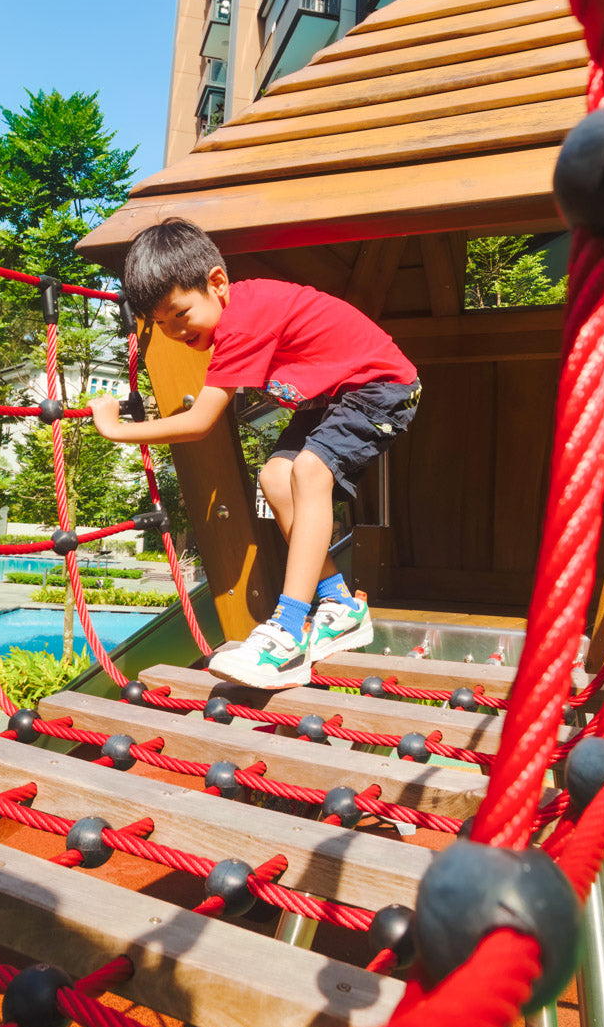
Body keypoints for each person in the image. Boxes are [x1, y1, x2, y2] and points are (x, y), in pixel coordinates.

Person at [88, 218, 420, 689]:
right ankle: (340, 605)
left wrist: (118, 429)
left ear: (217, 283)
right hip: (332, 397)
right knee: (274, 478)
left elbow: (200, 422)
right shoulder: (232, 320)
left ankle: (287, 631)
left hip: (381, 389)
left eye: (179, 313)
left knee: (308, 471)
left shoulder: (244, 320)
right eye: (160, 324)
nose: (173, 331)